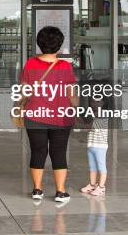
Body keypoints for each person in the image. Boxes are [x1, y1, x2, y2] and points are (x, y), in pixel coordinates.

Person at [21, 26, 78, 203]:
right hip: (61, 116)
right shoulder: (65, 66)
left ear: (39, 44)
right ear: (59, 46)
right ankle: (60, 192)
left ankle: (37, 190)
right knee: (58, 151)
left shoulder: (30, 64)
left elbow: (24, 91)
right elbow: (72, 94)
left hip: (35, 114)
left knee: (38, 151)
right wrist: (76, 108)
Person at [81, 98, 109, 196]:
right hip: (91, 145)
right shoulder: (91, 113)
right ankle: (92, 185)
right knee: (92, 167)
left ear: (103, 102)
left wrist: (77, 122)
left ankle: (101, 187)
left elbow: (89, 126)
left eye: (98, 101)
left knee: (101, 167)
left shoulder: (104, 114)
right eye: (93, 101)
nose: (95, 104)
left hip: (100, 146)